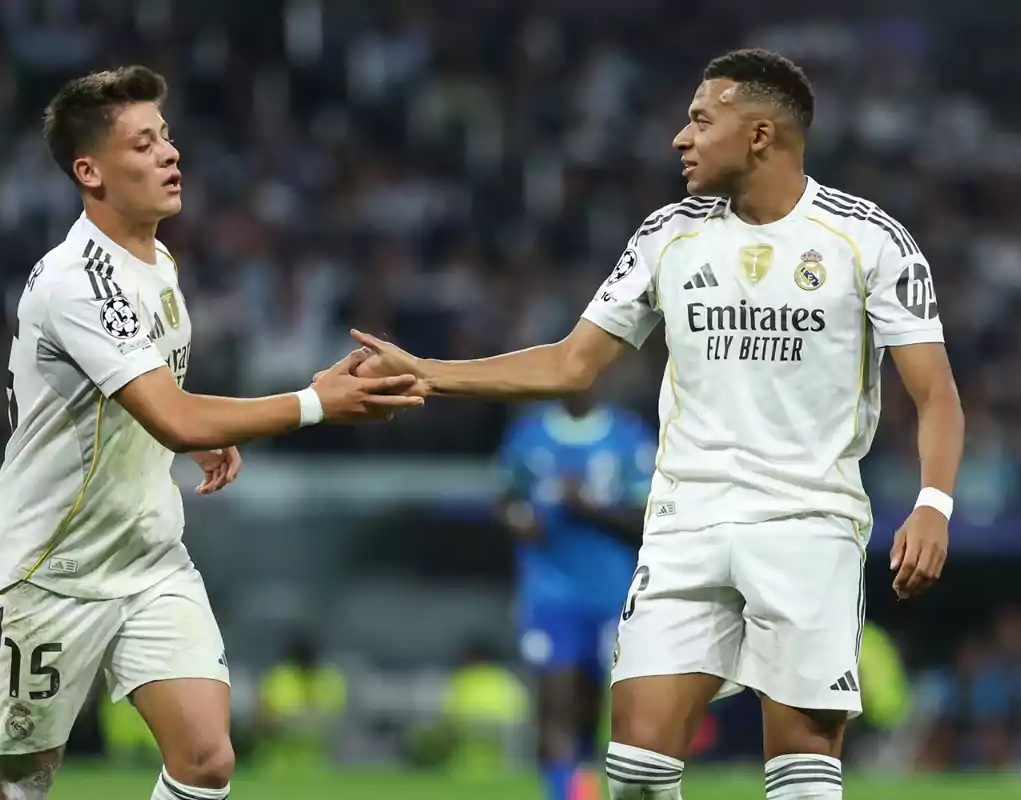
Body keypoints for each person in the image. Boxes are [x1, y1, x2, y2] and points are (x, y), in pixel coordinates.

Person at [351, 48, 964, 800]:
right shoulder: (667, 235)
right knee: (635, 768)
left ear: (762, 134)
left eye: (701, 120)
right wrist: (433, 373)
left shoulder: (868, 240)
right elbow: (573, 365)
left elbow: (936, 394)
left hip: (808, 523)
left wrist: (933, 504)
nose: (681, 137)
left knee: (802, 775)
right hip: (686, 521)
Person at [0, 66, 422, 800]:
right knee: (18, 784)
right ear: (90, 171)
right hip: (48, 569)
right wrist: (312, 403)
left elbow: (159, 402)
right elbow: (172, 415)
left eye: (167, 137)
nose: (171, 155)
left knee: (207, 758)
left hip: (146, 556)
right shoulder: (78, 282)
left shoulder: (157, 260)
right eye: (144, 145)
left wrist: (192, 429)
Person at [497, 390, 654, 800]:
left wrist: (588, 508)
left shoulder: (627, 437)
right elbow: (505, 498)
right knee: (555, 696)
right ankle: (562, 792)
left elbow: (648, 517)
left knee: (594, 702)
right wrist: (519, 521)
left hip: (612, 590)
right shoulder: (529, 436)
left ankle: (584, 779)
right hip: (549, 588)